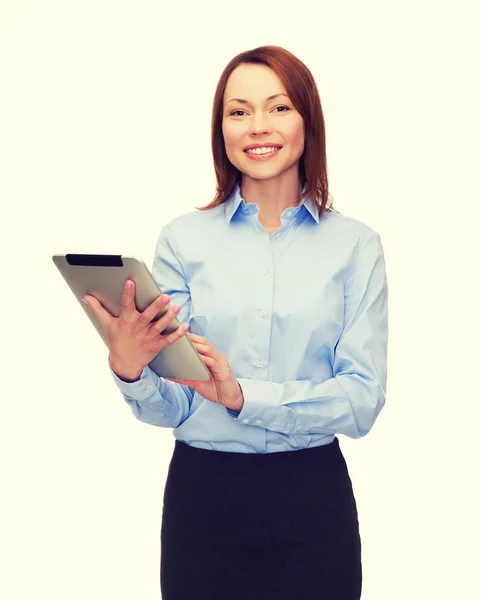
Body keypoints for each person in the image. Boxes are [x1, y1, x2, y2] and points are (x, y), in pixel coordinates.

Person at [82, 45, 388, 600]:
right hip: (204, 500)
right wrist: (132, 372)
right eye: (238, 111)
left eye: (278, 107)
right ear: (220, 129)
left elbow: (362, 400)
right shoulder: (182, 239)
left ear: (307, 121)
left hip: (312, 499)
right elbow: (175, 401)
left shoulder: (356, 246)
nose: (258, 127)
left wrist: (243, 394)